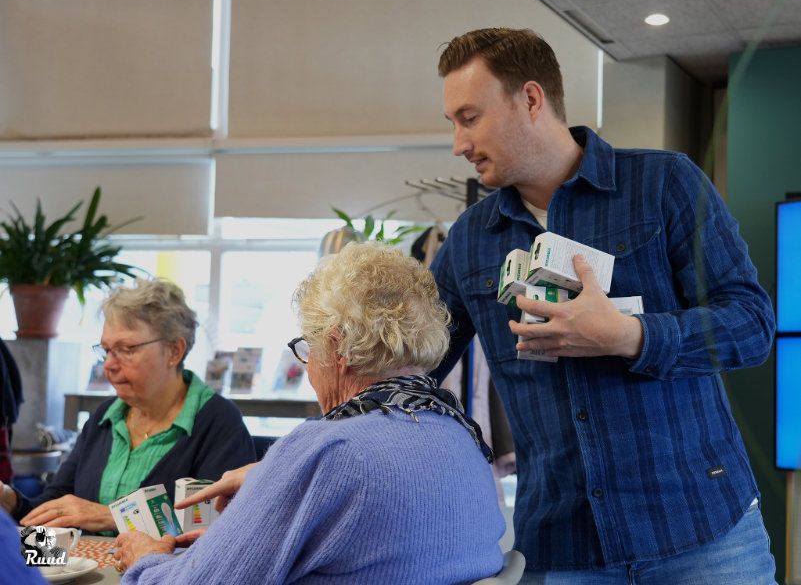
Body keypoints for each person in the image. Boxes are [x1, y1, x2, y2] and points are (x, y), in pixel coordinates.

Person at [430, 28, 777, 583]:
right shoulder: (470, 239)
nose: (457, 143)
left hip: (703, 533)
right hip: (564, 551)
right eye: (452, 123)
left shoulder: (664, 184)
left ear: (531, 99)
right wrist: (294, 469)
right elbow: (411, 369)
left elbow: (751, 325)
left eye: (469, 118)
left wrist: (627, 336)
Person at [112, 242, 505, 584]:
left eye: (307, 346)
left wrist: (147, 560)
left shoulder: (328, 449)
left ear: (336, 349)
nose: (306, 366)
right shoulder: (458, 433)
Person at [0, 278, 255, 533]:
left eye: (126, 349)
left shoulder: (218, 422)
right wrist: (9, 500)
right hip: (86, 572)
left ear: (174, 351)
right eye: (106, 350)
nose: (108, 364)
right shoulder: (105, 417)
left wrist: (112, 518)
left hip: (161, 574)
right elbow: (51, 515)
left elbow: (221, 533)